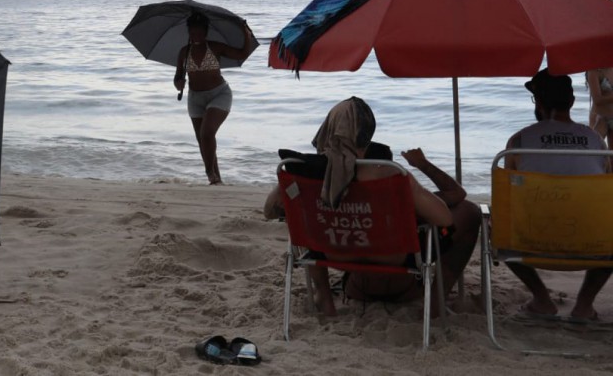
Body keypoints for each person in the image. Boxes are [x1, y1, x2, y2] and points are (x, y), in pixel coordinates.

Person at [263, 97, 480, 316]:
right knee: (469, 213)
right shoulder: (390, 176)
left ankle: (324, 296)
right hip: (394, 260)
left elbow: (269, 211)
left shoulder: (303, 173)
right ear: (368, 135)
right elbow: (444, 219)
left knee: (301, 216)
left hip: (334, 256)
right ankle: (435, 304)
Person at [504, 69, 611, 322]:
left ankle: (542, 299)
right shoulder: (596, 141)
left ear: (538, 103)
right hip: (595, 245)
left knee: (496, 228)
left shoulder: (519, 140)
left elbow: (509, 193)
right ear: (572, 102)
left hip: (531, 242)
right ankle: (584, 306)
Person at [172, 12, 254, 185]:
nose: (196, 36)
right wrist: (179, 84)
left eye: (200, 33)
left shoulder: (215, 47)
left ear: (206, 32)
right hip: (195, 98)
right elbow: (177, 77)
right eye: (193, 33)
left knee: (207, 133)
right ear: (189, 33)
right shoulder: (183, 52)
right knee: (202, 140)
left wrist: (246, 35)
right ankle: (216, 180)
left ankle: (209, 172)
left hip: (219, 94)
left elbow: (242, 54)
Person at [585, 67, 613, 148]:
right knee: (592, 148)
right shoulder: (593, 71)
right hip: (599, 116)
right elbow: (597, 100)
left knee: (612, 155)